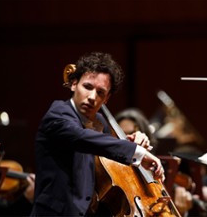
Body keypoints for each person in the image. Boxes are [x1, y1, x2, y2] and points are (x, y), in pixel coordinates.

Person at [30, 52, 164, 216]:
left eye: (100, 92)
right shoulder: (58, 115)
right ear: (73, 84)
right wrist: (136, 152)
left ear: (107, 99)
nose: (92, 97)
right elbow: (82, 137)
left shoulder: (100, 122)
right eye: (87, 87)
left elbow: (110, 155)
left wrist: (134, 141)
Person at [115, 108, 194, 217]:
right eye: (120, 136)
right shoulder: (110, 171)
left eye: (130, 135)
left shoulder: (157, 172)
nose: (127, 144)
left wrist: (181, 211)